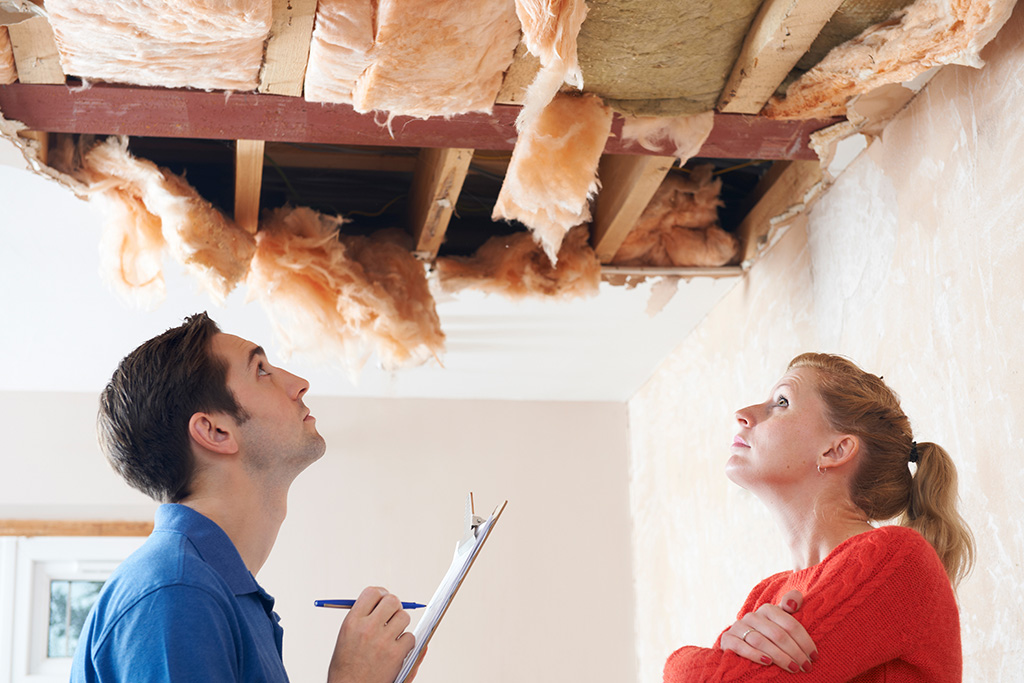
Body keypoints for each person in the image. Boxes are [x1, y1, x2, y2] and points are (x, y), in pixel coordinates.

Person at [71, 313, 423, 683]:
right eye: (261, 371)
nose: (300, 384)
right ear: (215, 431)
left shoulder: (219, 596)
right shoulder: (178, 593)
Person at [664, 353, 975, 682]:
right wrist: (723, 645)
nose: (743, 415)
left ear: (835, 450)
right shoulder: (766, 595)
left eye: (781, 402)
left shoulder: (895, 557)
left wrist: (679, 663)